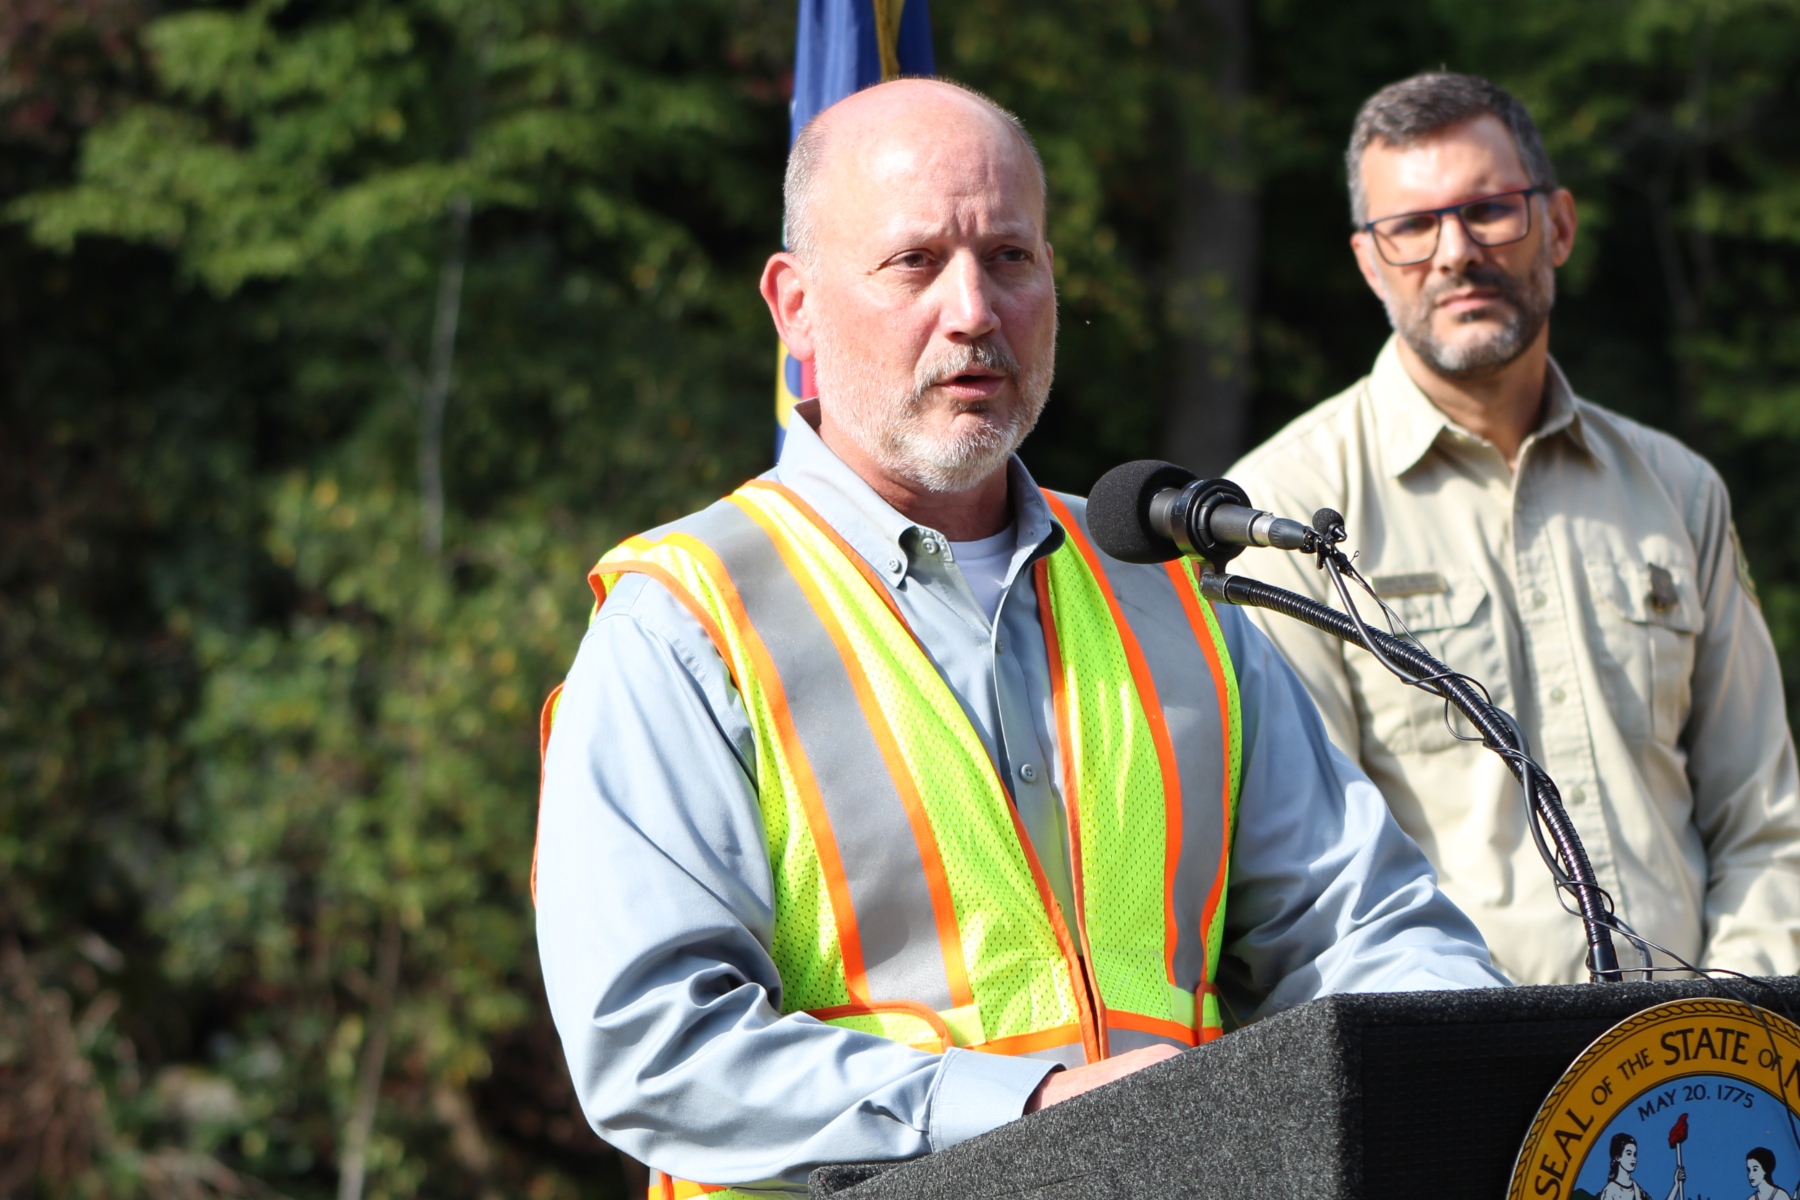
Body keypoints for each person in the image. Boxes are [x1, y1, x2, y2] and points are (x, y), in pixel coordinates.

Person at [533, 77, 1506, 1197]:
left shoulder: (1170, 589)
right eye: (914, 262)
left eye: (1009, 258)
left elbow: (1362, 928)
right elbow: (655, 1052)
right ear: (795, 306)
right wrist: (1027, 1110)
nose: (973, 311)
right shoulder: (685, 623)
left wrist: (1476, 1063)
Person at [1228, 72, 1800, 986]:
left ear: (1558, 225)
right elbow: (1311, 879)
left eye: (1489, 210)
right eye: (1412, 227)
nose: (1455, 253)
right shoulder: (1281, 511)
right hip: (1447, 1057)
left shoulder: (1680, 490)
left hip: (1694, 1047)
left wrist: (1725, 1022)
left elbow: (1767, 827)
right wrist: (1480, 1046)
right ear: (1369, 262)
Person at [1597, 1135, 1683, 1200]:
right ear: (1617, 1157)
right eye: (1629, 1154)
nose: (1633, 1158)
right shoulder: (1610, 1191)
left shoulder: (1636, 1188)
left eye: (1635, 1154)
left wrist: (1676, 1185)